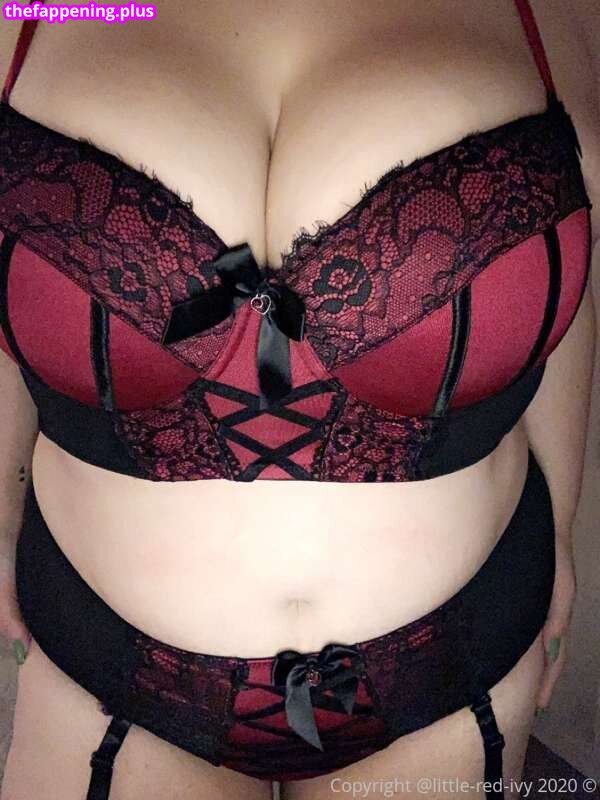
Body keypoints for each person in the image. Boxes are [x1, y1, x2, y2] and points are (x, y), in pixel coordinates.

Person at [0, 1, 597, 798]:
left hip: (456, 664)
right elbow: (17, 295)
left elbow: (564, 276)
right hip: (104, 669)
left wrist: (561, 526)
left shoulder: (554, 12)